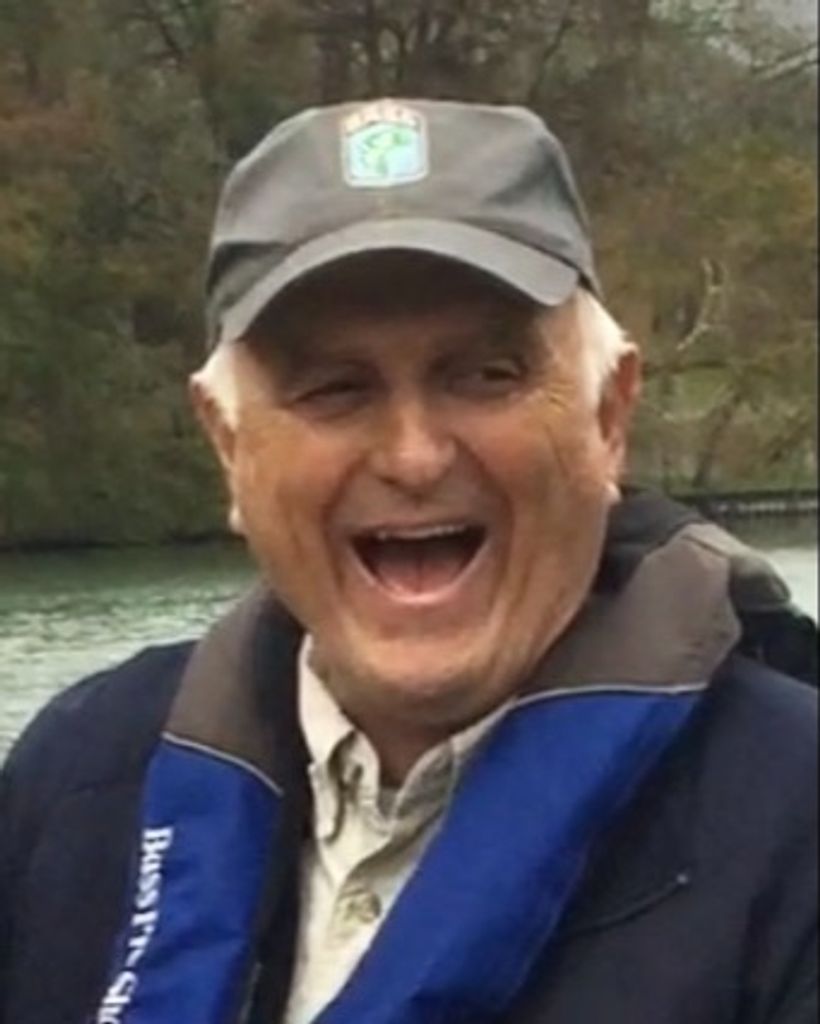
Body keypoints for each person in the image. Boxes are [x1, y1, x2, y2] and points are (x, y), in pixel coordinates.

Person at [0, 99, 816, 1024]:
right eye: (334, 389)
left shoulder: (793, 824)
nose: (414, 456)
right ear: (229, 445)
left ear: (609, 417)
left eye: (487, 376)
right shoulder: (78, 780)